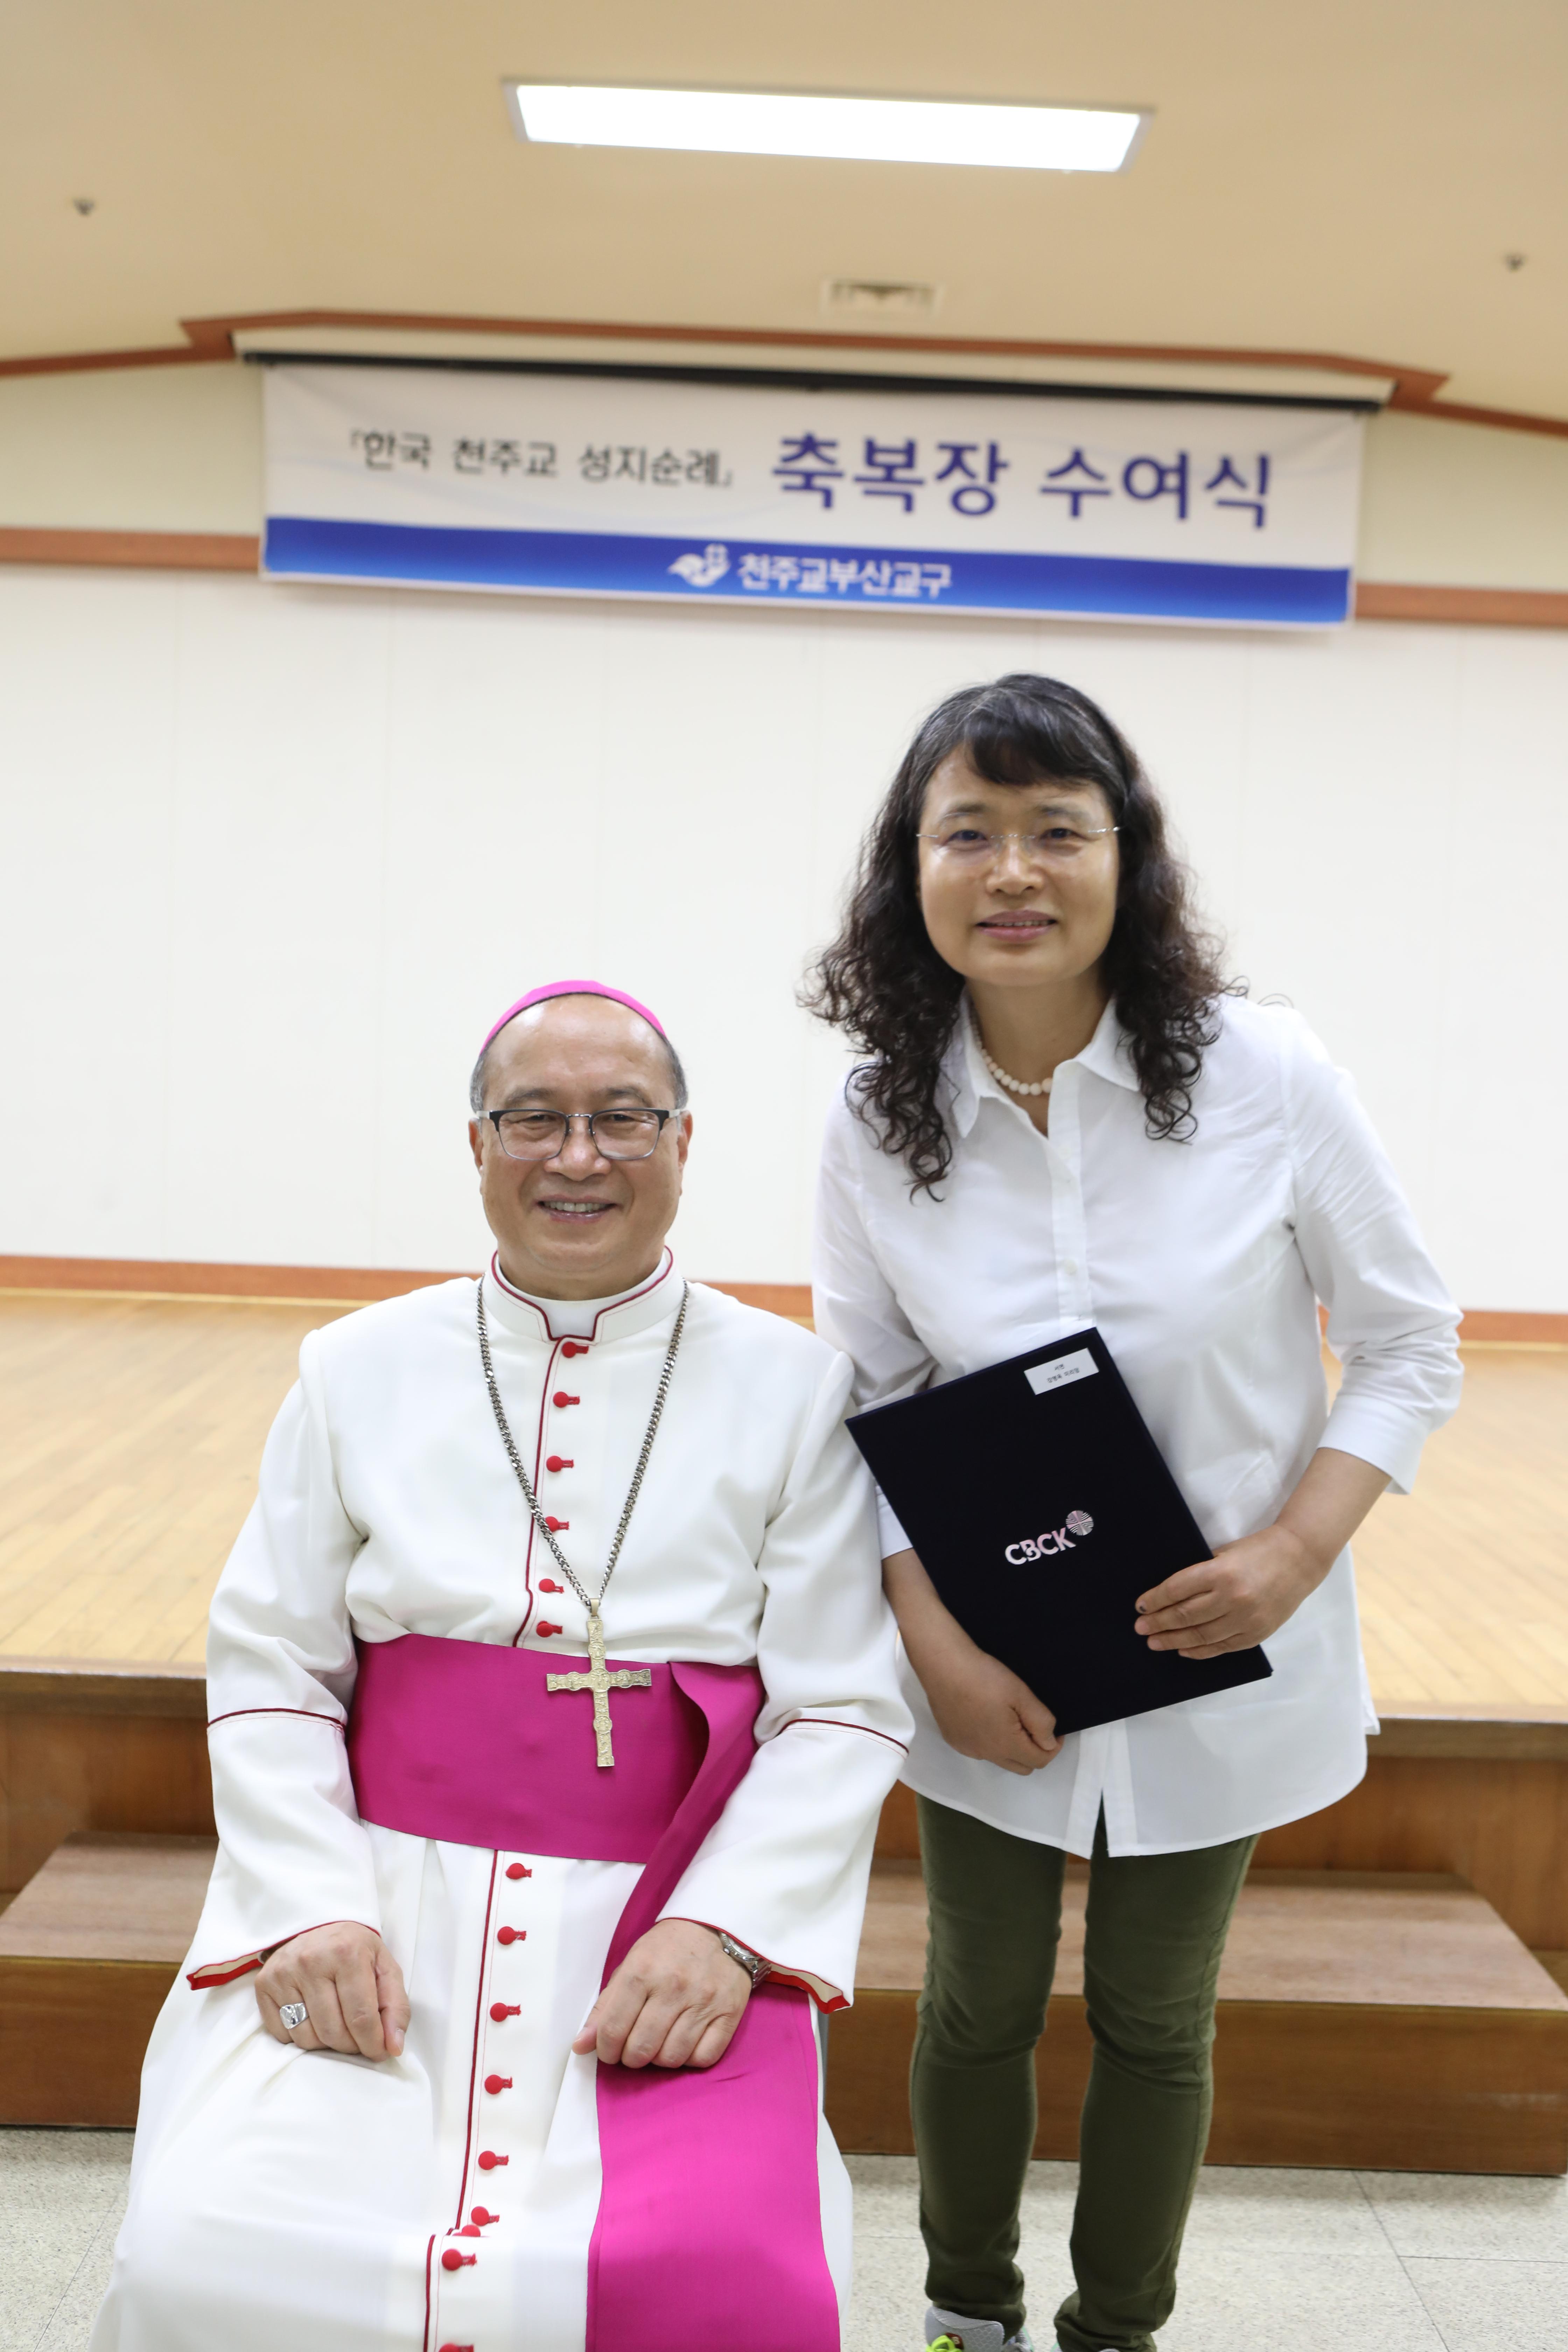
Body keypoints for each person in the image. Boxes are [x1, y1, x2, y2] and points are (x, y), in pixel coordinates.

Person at [93, 978, 912, 2352]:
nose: (577, 1157)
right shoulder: (352, 1368)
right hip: (379, 1900)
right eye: (534, 1119)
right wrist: (310, 1906)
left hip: (658, 1918)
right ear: (476, 1144)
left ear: (684, 1142)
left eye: (622, 1119)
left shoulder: (796, 1390)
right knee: (207, 2258)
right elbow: (273, 1665)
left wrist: (725, 1932)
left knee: (726, 2280)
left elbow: (838, 1707)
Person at [807, 676, 1462, 2352]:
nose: (1013, 872)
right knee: (974, 2006)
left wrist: (1292, 1555)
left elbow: (1407, 1345)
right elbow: (864, 1407)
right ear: (909, 867)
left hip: (1221, 1642)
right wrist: (935, 1647)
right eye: (968, 833)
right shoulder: (875, 1116)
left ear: (1127, 856)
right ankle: (966, 2315)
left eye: (1057, 831)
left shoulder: (1266, 1075)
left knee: (1158, 2018)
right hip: (990, 1654)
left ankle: (1116, 2331)